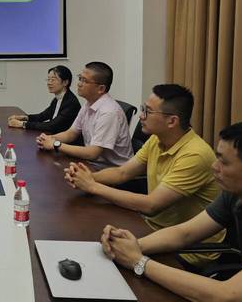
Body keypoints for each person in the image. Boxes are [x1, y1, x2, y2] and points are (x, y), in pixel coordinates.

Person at [101, 121, 242, 301]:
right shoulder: (235, 196)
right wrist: (130, 245)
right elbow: (185, 233)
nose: (214, 166)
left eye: (224, 162)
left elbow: (229, 296)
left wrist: (139, 261)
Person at [65, 84, 224, 267]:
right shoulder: (157, 139)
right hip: (151, 228)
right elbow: (122, 172)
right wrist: (85, 177)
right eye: (142, 109)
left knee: (102, 258)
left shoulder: (195, 155)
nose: (141, 116)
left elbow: (151, 205)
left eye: (148, 111)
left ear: (172, 121)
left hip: (187, 249)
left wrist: (92, 186)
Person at [36, 61, 132, 168]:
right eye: (80, 78)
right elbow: (71, 133)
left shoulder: (109, 112)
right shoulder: (88, 104)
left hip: (112, 170)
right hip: (92, 164)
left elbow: (92, 153)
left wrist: (55, 144)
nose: (79, 84)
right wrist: (49, 138)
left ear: (101, 89)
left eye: (84, 81)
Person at [8, 65, 80, 134]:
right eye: (48, 79)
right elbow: (42, 116)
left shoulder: (71, 103)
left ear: (65, 82)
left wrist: (22, 124)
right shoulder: (57, 99)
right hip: (54, 137)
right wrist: (24, 118)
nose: (49, 83)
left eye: (53, 80)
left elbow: (52, 125)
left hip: (65, 141)